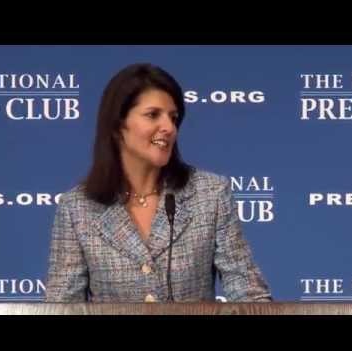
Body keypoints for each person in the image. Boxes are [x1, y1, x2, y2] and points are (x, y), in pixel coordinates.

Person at [45, 63, 272, 303]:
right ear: (117, 125)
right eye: (153, 115)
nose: (169, 128)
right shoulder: (77, 207)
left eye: (173, 118)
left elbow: (249, 294)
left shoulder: (210, 194)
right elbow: (62, 305)